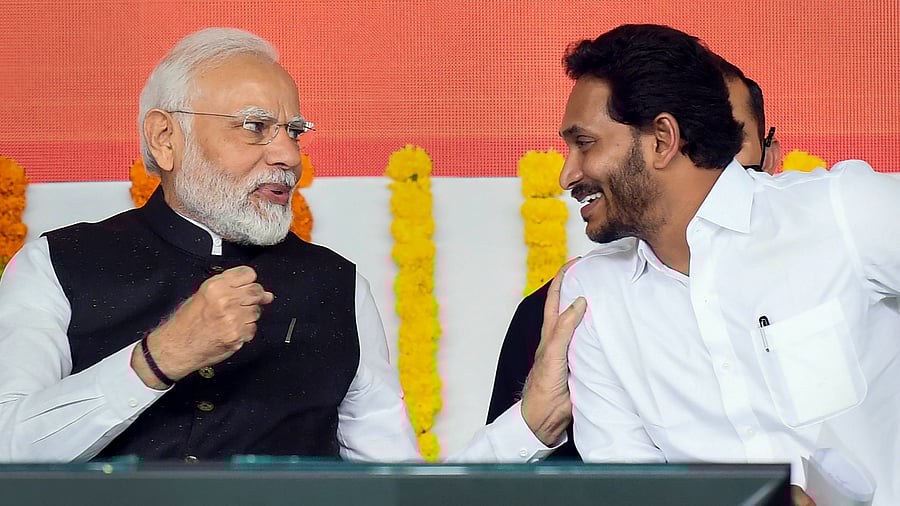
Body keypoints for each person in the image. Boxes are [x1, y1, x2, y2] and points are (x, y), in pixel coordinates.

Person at [0, 27, 584, 463]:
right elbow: (8, 450)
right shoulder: (54, 265)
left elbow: (393, 486)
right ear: (165, 138)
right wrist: (157, 361)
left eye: (295, 131)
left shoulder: (334, 284)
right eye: (255, 127)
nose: (289, 156)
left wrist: (526, 429)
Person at [557, 24, 898, 505]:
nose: (567, 173)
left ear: (661, 139)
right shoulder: (594, 295)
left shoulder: (842, 212)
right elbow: (632, 491)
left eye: (585, 143)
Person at [487, 55, 781, 461]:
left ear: (770, 156)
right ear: (666, 142)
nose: (709, 161)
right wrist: (536, 419)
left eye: (728, 141)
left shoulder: (835, 231)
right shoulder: (574, 308)